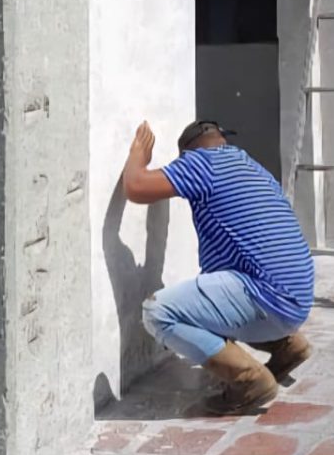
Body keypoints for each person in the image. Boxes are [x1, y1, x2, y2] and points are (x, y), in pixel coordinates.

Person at [122, 118, 314, 414]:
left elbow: (136, 187)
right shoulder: (251, 166)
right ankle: (287, 346)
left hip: (267, 297)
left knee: (158, 312)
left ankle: (250, 381)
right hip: (297, 301)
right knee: (213, 295)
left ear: (188, 152)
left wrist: (139, 154)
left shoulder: (201, 162)